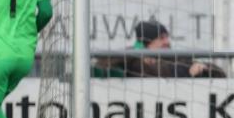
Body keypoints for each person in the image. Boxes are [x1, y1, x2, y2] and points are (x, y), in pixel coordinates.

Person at [94, 20, 225, 78]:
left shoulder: (178, 59)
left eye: (167, 37)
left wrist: (203, 67)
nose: (167, 42)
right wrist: (137, 54)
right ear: (147, 43)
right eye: (161, 38)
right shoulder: (131, 62)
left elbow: (220, 74)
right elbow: (101, 64)